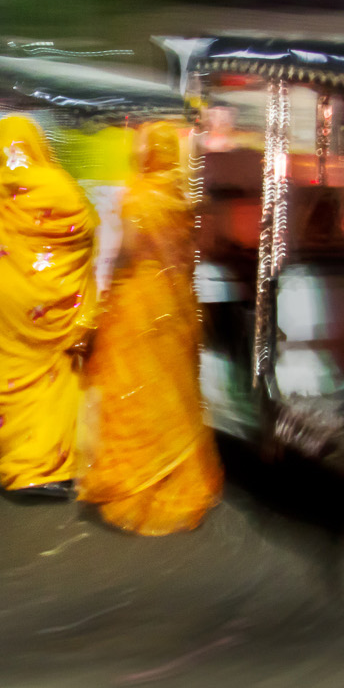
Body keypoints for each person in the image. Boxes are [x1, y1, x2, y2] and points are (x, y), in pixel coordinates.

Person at [78, 121, 223, 535]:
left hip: (138, 302)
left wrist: (105, 287)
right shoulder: (180, 196)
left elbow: (124, 251)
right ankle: (174, 477)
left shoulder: (137, 196)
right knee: (171, 392)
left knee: (133, 389)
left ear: (145, 152)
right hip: (174, 302)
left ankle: (136, 484)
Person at [0, 115, 98, 499]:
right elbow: (84, 230)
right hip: (53, 303)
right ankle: (52, 467)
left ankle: (20, 469)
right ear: (38, 144)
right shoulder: (57, 186)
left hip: (1, 308)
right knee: (54, 384)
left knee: (8, 381)